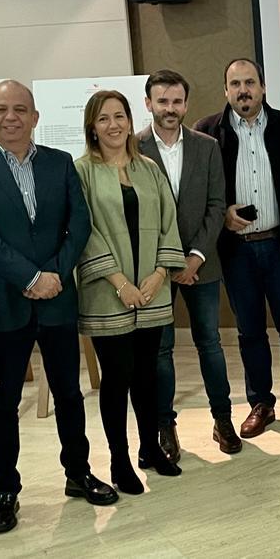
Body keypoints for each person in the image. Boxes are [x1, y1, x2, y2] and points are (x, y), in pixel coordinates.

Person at [0, 80, 117, 534]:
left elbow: (79, 224)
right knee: (4, 403)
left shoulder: (60, 163)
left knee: (69, 392)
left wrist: (55, 275)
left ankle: (78, 473)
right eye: (1, 109)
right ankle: (6, 491)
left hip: (58, 298)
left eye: (21, 109)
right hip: (6, 303)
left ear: (35, 117)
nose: (12, 117)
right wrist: (29, 277)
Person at [194, 58, 280, 438]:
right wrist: (223, 217)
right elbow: (201, 194)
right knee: (249, 331)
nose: (243, 90)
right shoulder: (208, 132)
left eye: (250, 82)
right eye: (235, 84)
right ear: (226, 91)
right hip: (236, 251)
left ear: (263, 88)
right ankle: (261, 404)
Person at [75, 90, 186, 493]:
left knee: (147, 377)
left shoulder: (149, 169)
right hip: (109, 294)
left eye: (119, 116)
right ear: (92, 126)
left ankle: (150, 451)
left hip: (152, 291)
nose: (113, 125)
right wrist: (119, 282)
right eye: (103, 118)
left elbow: (167, 221)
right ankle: (119, 462)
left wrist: (159, 274)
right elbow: (83, 230)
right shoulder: (82, 171)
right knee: (117, 378)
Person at [136, 70, 237, 461]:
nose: (170, 109)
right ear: (148, 104)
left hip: (202, 264)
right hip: (154, 270)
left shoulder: (207, 146)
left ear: (186, 104)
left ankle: (223, 418)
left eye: (177, 101)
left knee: (209, 343)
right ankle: (165, 426)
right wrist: (167, 261)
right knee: (160, 350)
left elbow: (216, 204)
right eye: (162, 101)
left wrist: (195, 255)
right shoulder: (132, 147)